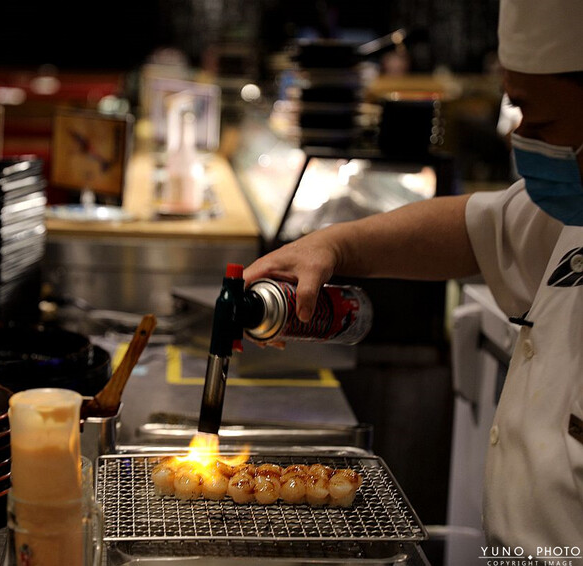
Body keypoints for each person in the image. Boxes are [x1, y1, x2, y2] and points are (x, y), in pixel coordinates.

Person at [243, 0, 583, 553]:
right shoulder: (570, 214)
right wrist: (331, 245)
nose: (523, 137)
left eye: (538, 120)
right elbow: (475, 228)